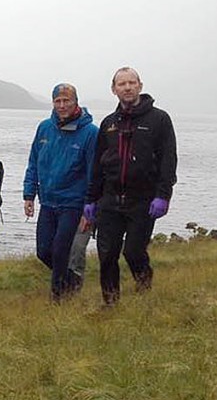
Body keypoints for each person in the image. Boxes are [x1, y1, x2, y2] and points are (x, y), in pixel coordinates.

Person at [84, 67, 177, 306]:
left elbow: (168, 160)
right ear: (114, 89)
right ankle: (110, 302)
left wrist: (163, 196)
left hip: (143, 200)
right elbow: (97, 164)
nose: (127, 87)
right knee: (107, 254)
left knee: (133, 252)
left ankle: (144, 283)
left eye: (132, 83)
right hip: (110, 199)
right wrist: (90, 199)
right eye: (122, 84)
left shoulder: (159, 120)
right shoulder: (108, 124)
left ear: (140, 86)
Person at [23, 83, 98, 301]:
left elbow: (95, 172)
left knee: (60, 251)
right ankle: (71, 280)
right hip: (48, 201)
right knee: (43, 251)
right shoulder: (44, 128)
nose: (62, 105)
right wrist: (29, 195)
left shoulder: (91, 133)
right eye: (58, 101)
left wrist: (90, 208)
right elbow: (34, 162)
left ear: (76, 102)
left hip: (73, 203)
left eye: (67, 100)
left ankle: (58, 298)